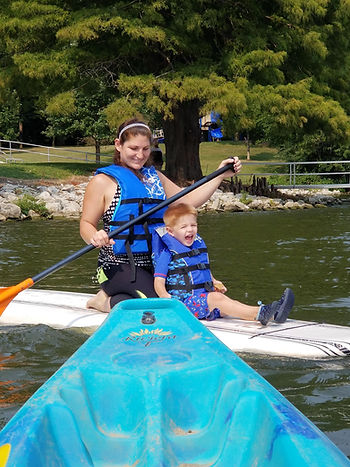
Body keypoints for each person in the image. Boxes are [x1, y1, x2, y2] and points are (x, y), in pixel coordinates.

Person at [80, 118, 241, 312]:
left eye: (145, 149)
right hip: (118, 266)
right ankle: (103, 302)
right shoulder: (102, 181)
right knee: (161, 306)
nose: (140, 155)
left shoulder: (155, 178)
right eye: (133, 148)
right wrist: (94, 236)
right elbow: (86, 223)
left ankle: (114, 299)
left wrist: (219, 175)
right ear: (118, 145)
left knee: (187, 296)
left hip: (158, 266)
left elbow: (189, 200)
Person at [152, 203, 295, 325]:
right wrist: (169, 302)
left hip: (201, 300)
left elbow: (203, 270)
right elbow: (158, 282)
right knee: (217, 299)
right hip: (183, 305)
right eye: (183, 227)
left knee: (228, 303)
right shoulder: (167, 254)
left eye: (193, 225)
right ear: (170, 231)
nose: (190, 230)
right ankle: (263, 312)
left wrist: (214, 281)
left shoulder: (197, 247)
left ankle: (272, 314)